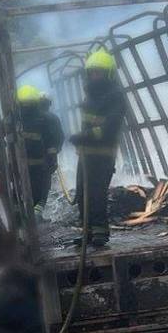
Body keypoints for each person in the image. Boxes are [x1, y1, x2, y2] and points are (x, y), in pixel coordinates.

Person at [70, 48, 128, 246]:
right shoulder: (89, 97)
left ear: (109, 73)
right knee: (82, 194)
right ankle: (87, 232)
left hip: (103, 155)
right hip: (86, 155)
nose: (95, 76)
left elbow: (110, 127)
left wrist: (83, 136)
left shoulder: (116, 96)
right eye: (92, 72)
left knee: (96, 194)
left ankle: (101, 233)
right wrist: (81, 141)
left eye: (99, 72)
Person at [16, 85, 64, 220]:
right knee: (38, 189)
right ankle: (34, 212)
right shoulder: (17, 120)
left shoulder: (46, 119)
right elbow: (56, 140)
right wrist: (53, 158)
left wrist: (53, 156)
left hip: (35, 166)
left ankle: (33, 212)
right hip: (34, 166)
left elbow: (54, 140)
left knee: (35, 189)